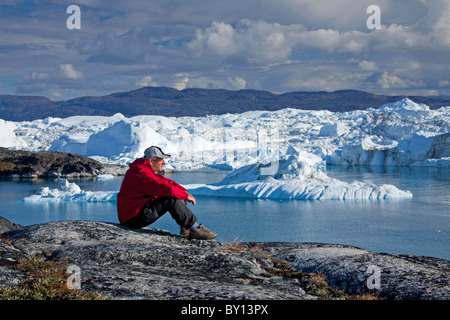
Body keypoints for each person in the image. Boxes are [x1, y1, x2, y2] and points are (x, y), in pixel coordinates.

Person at [117, 146, 217, 240]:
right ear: (151, 160)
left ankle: (186, 228)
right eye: (161, 160)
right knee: (169, 199)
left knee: (170, 196)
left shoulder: (142, 170)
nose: (164, 163)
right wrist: (184, 196)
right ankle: (194, 229)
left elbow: (166, 182)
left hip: (132, 215)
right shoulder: (141, 173)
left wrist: (183, 192)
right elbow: (166, 188)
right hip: (132, 219)